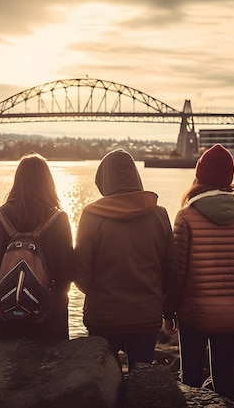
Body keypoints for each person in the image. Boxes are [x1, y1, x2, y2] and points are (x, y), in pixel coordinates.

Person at [168, 143, 234, 400]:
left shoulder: (186, 217)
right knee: (225, 380)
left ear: (200, 175)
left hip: (194, 314)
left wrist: (168, 310)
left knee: (191, 383)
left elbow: (178, 274)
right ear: (230, 177)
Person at [74, 148, 178, 369]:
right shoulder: (159, 215)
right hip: (146, 318)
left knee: (102, 386)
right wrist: (168, 311)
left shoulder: (91, 215)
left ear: (103, 181)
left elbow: (80, 274)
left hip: (103, 317)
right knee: (142, 386)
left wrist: (101, 293)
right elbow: (171, 270)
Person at [0, 153, 74, 339]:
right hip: (48, 323)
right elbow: (66, 274)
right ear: (48, 182)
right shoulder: (59, 219)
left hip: (5, 319)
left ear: (17, 181)